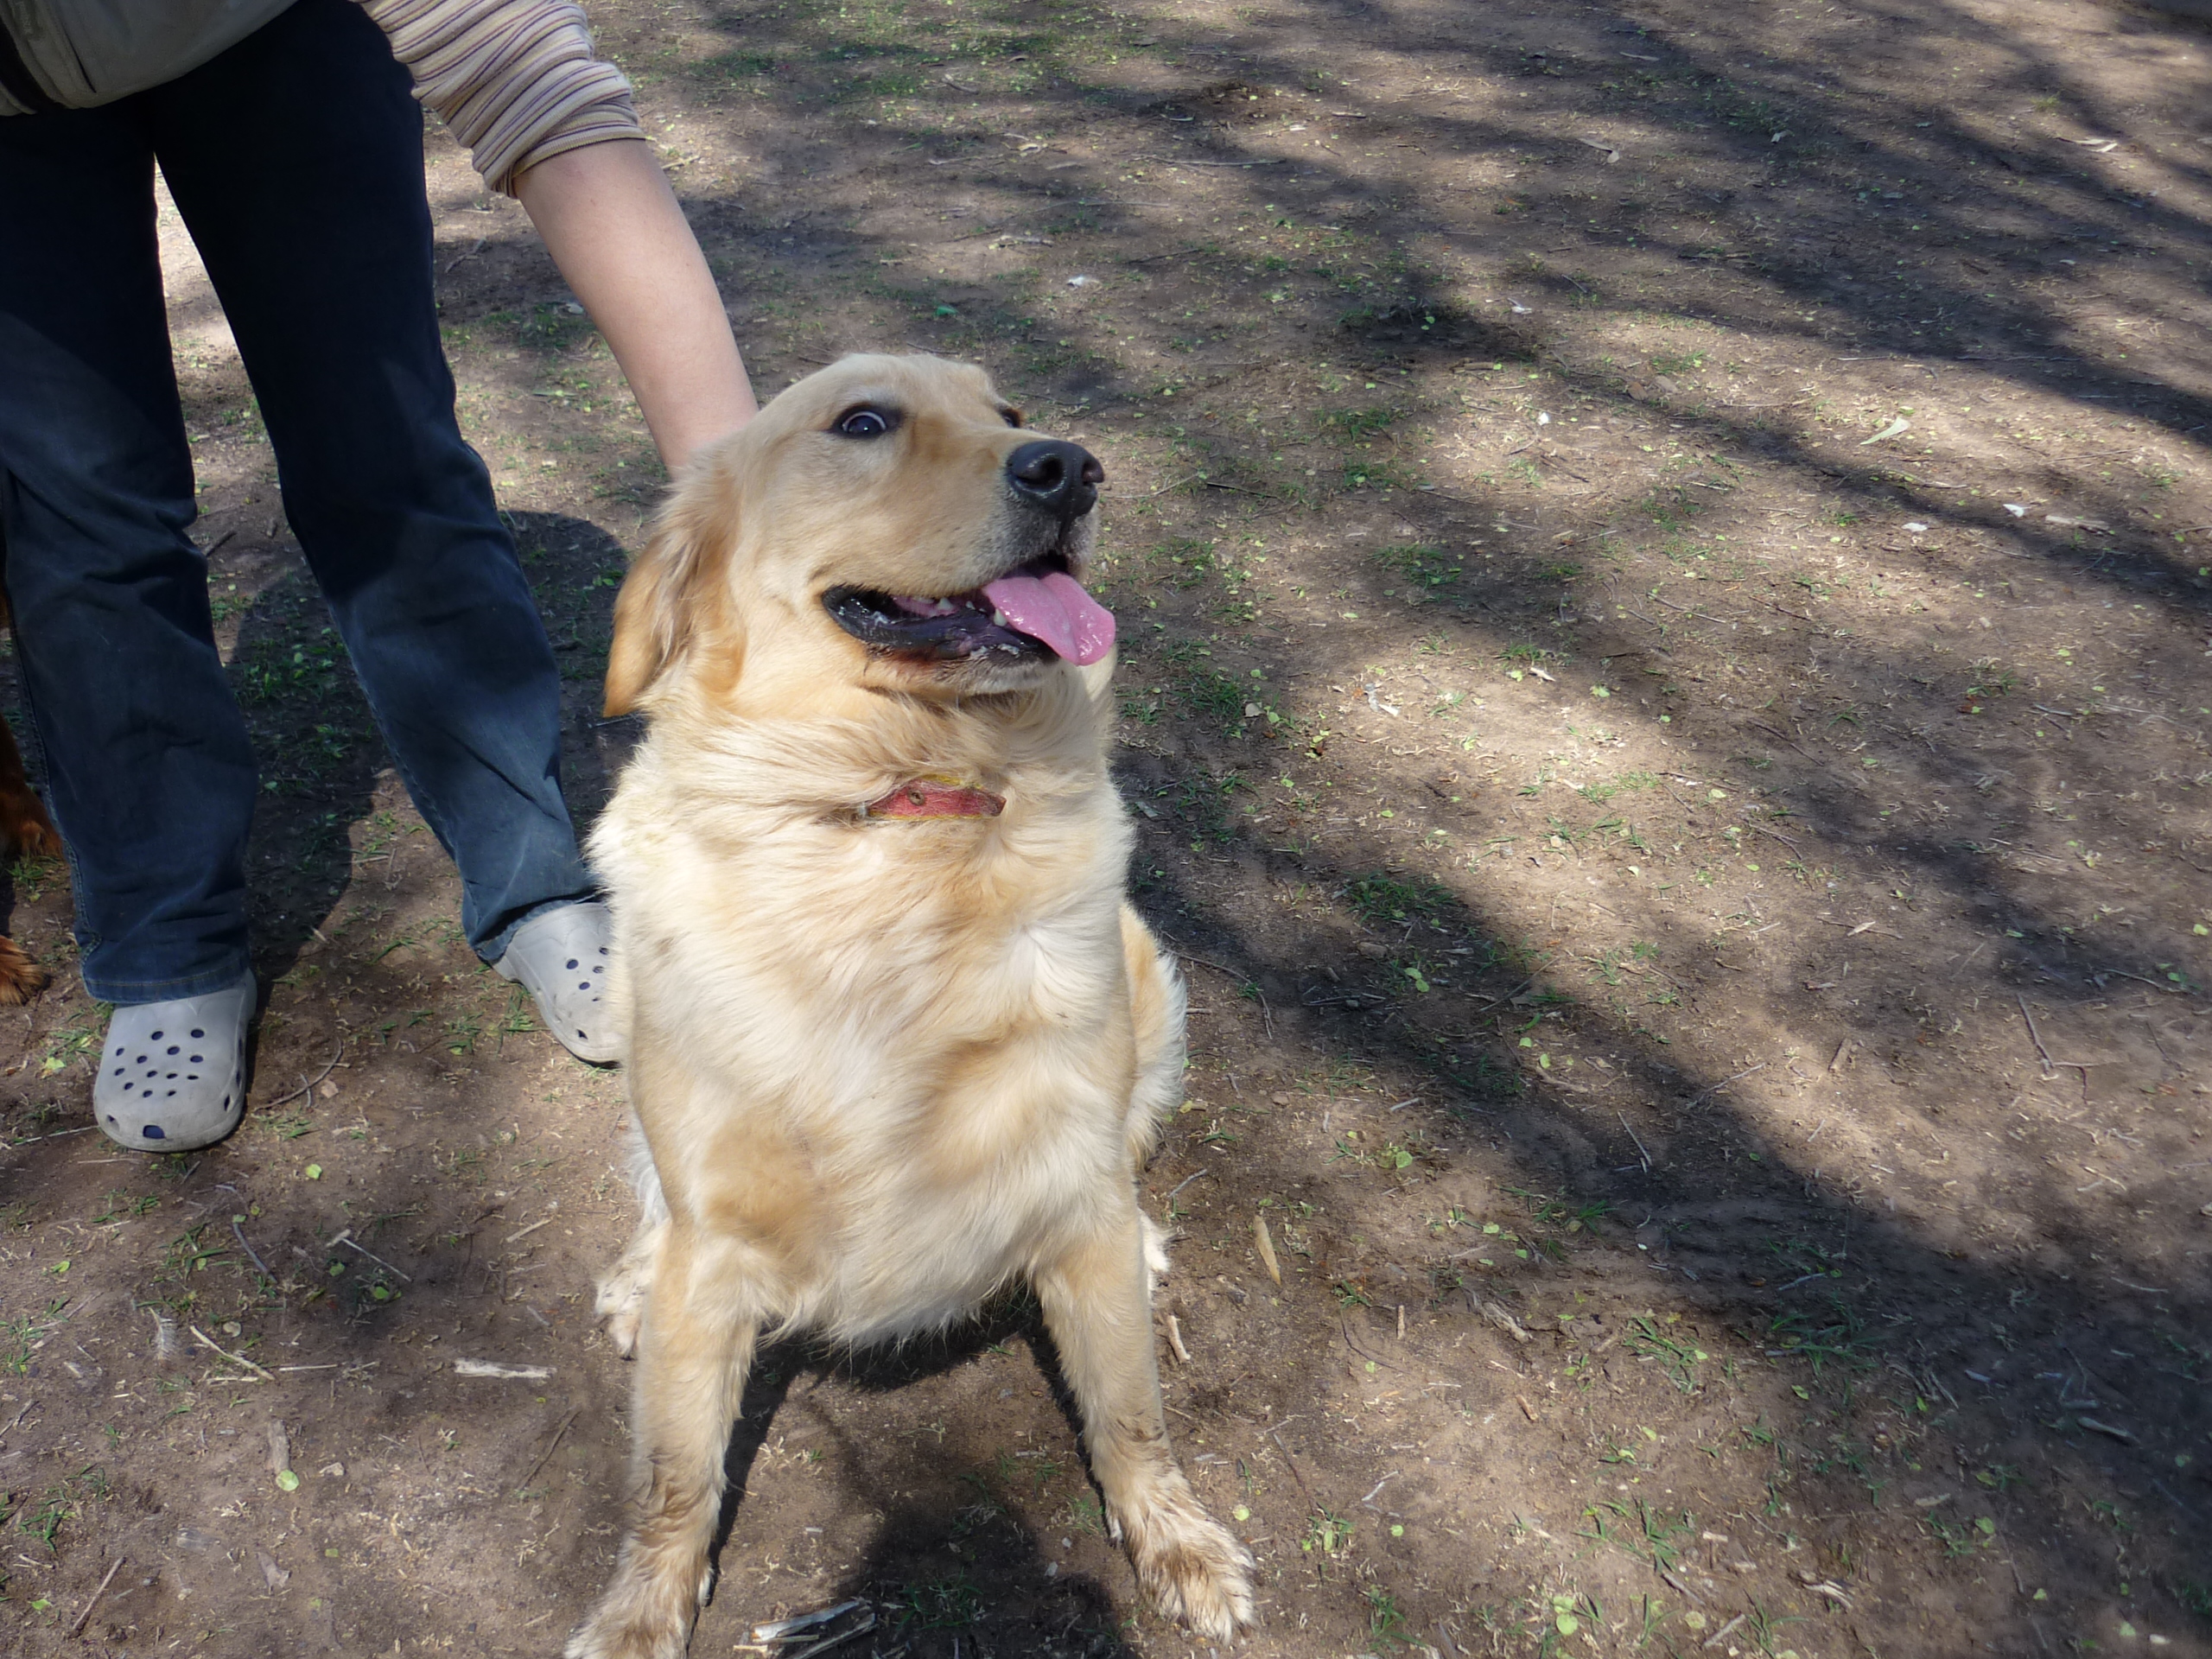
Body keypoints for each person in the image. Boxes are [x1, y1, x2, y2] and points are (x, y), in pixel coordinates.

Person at [0, 0, 756, 1151]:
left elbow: (523, 66)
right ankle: (165, 944)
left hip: (273, 26)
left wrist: (745, 504)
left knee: (384, 448)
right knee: (76, 520)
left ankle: (535, 876)